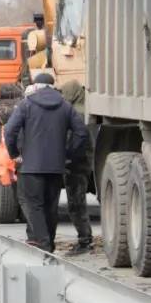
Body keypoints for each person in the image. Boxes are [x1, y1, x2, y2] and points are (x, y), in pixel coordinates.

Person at [3, 72, 87, 253]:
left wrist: (14, 153)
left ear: (35, 86)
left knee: (34, 206)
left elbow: (9, 130)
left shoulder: (26, 104)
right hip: (56, 167)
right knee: (51, 207)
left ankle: (44, 245)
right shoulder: (65, 106)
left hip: (30, 168)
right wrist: (68, 153)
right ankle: (48, 243)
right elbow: (81, 132)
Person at [60, 80, 94, 255]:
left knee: (76, 204)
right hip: (84, 162)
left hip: (76, 164)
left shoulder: (74, 113)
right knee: (77, 202)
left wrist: (67, 156)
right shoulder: (84, 109)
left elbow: (74, 138)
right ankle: (85, 238)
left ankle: (84, 241)